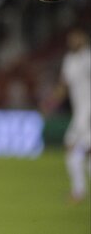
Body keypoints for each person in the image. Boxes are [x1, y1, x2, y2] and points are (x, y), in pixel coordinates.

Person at [41, 27, 91, 203]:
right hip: (79, 113)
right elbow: (63, 86)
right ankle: (78, 191)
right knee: (77, 151)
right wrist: (50, 104)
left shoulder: (88, 59)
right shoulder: (70, 60)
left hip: (88, 113)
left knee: (78, 150)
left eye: (76, 37)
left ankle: (78, 192)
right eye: (71, 37)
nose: (72, 40)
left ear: (83, 38)